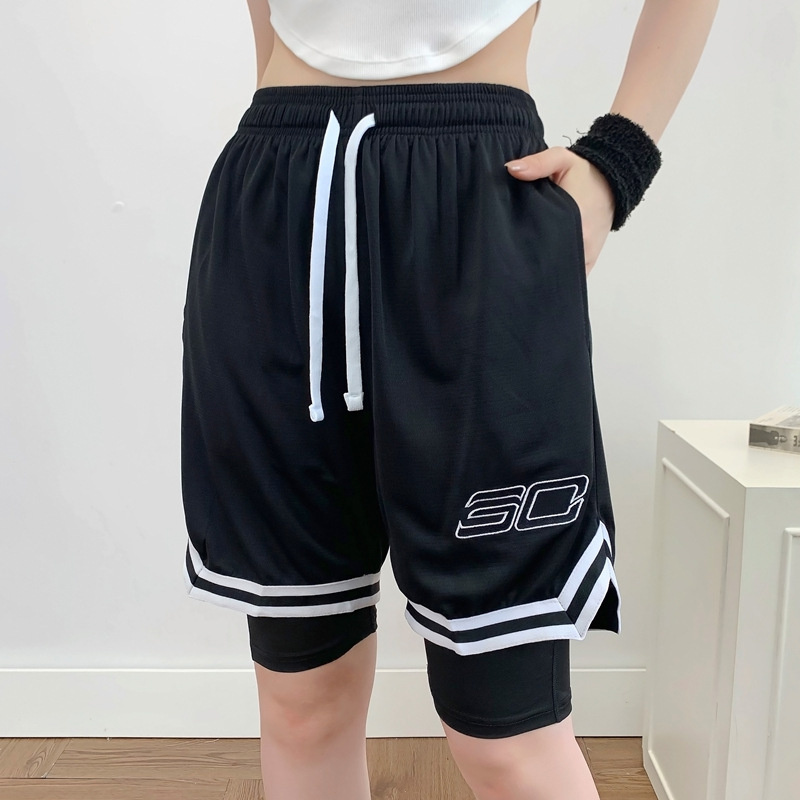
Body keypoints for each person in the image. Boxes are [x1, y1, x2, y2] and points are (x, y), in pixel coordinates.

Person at [180, 1, 719, 798]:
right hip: (280, 201)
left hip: (472, 201)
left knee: (508, 735)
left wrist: (619, 162)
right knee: (301, 705)